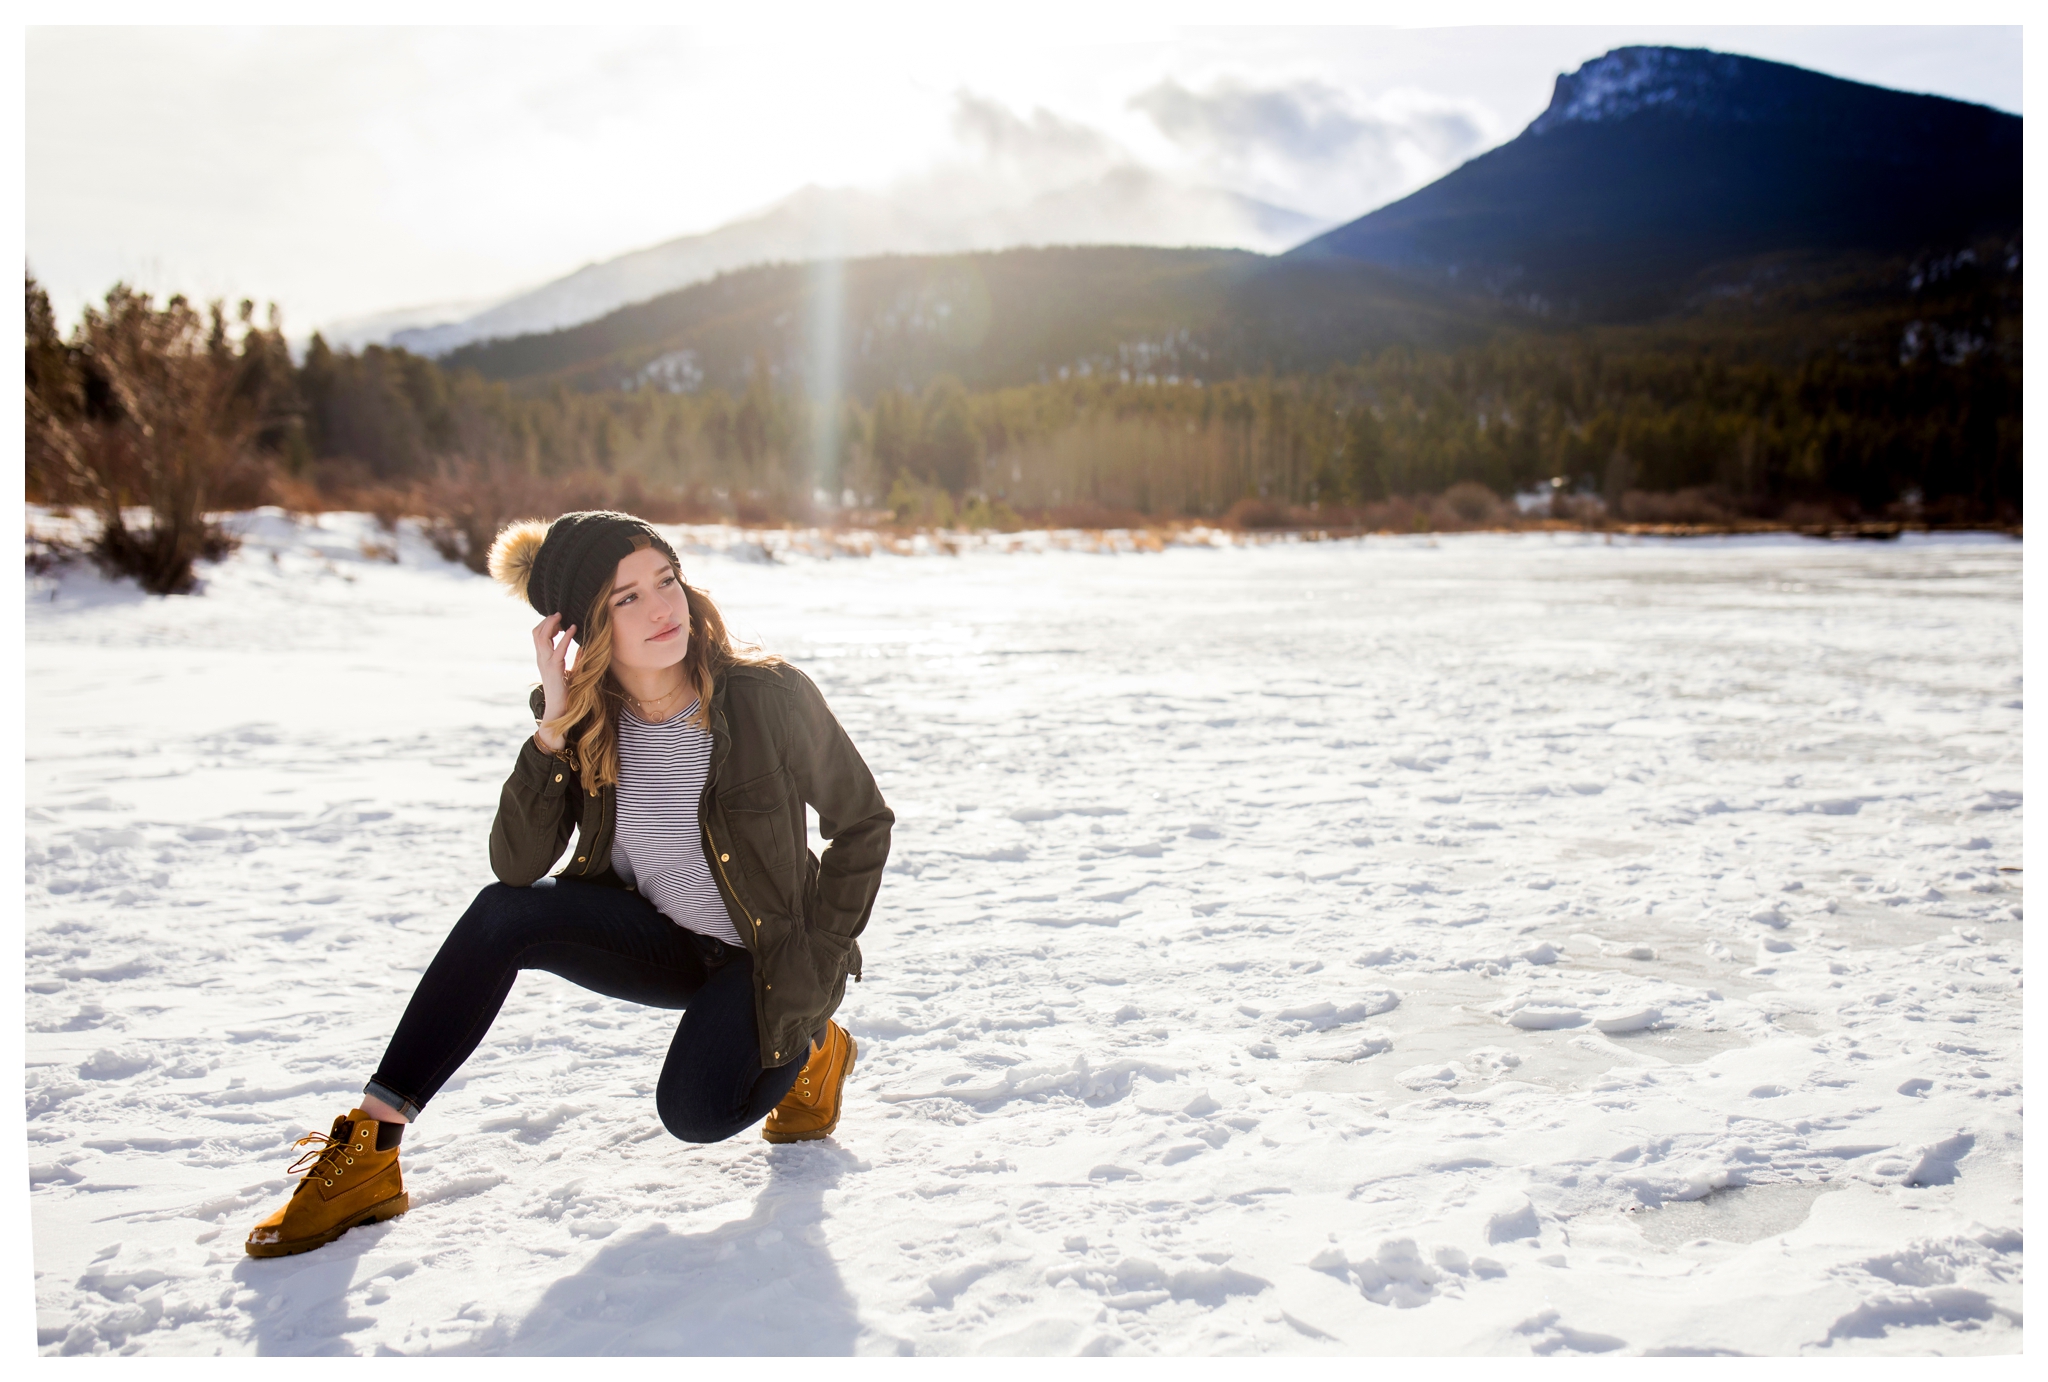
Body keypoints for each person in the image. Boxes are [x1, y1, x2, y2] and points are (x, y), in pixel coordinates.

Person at [245, 511, 892, 1258]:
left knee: (696, 1112)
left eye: (667, 580)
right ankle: (373, 1148)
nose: (662, 608)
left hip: (771, 962)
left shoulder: (765, 695)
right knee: (502, 915)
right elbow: (516, 865)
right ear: (585, 625)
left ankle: (812, 1043)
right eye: (626, 598)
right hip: (669, 940)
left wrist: (815, 968)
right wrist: (552, 730)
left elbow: (863, 822)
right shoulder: (584, 719)